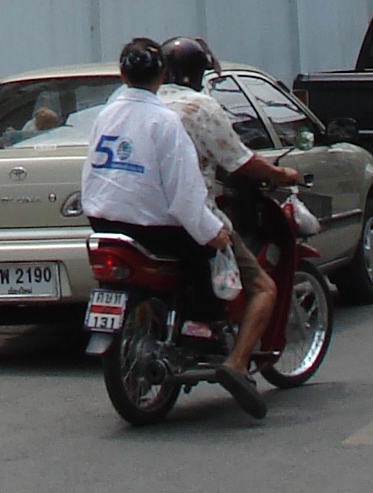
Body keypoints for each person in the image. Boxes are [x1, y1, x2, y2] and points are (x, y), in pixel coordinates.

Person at [80, 34, 266, 420]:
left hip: (103, 220)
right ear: (161, 74)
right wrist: (213, 234)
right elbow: (186, 197)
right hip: (153, 228)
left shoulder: (106, 114)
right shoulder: (164, 122)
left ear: (121, 73)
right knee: (212, 255)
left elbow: (91, 175)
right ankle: (206, 331)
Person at [157, 37, 305, 406]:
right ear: (199, 73)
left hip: (139, 215)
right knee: (263, 288)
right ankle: (236, 365)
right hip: (192, 216)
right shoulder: (200, 107)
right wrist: (280, 174)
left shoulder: (145, 105)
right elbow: (240, 161)